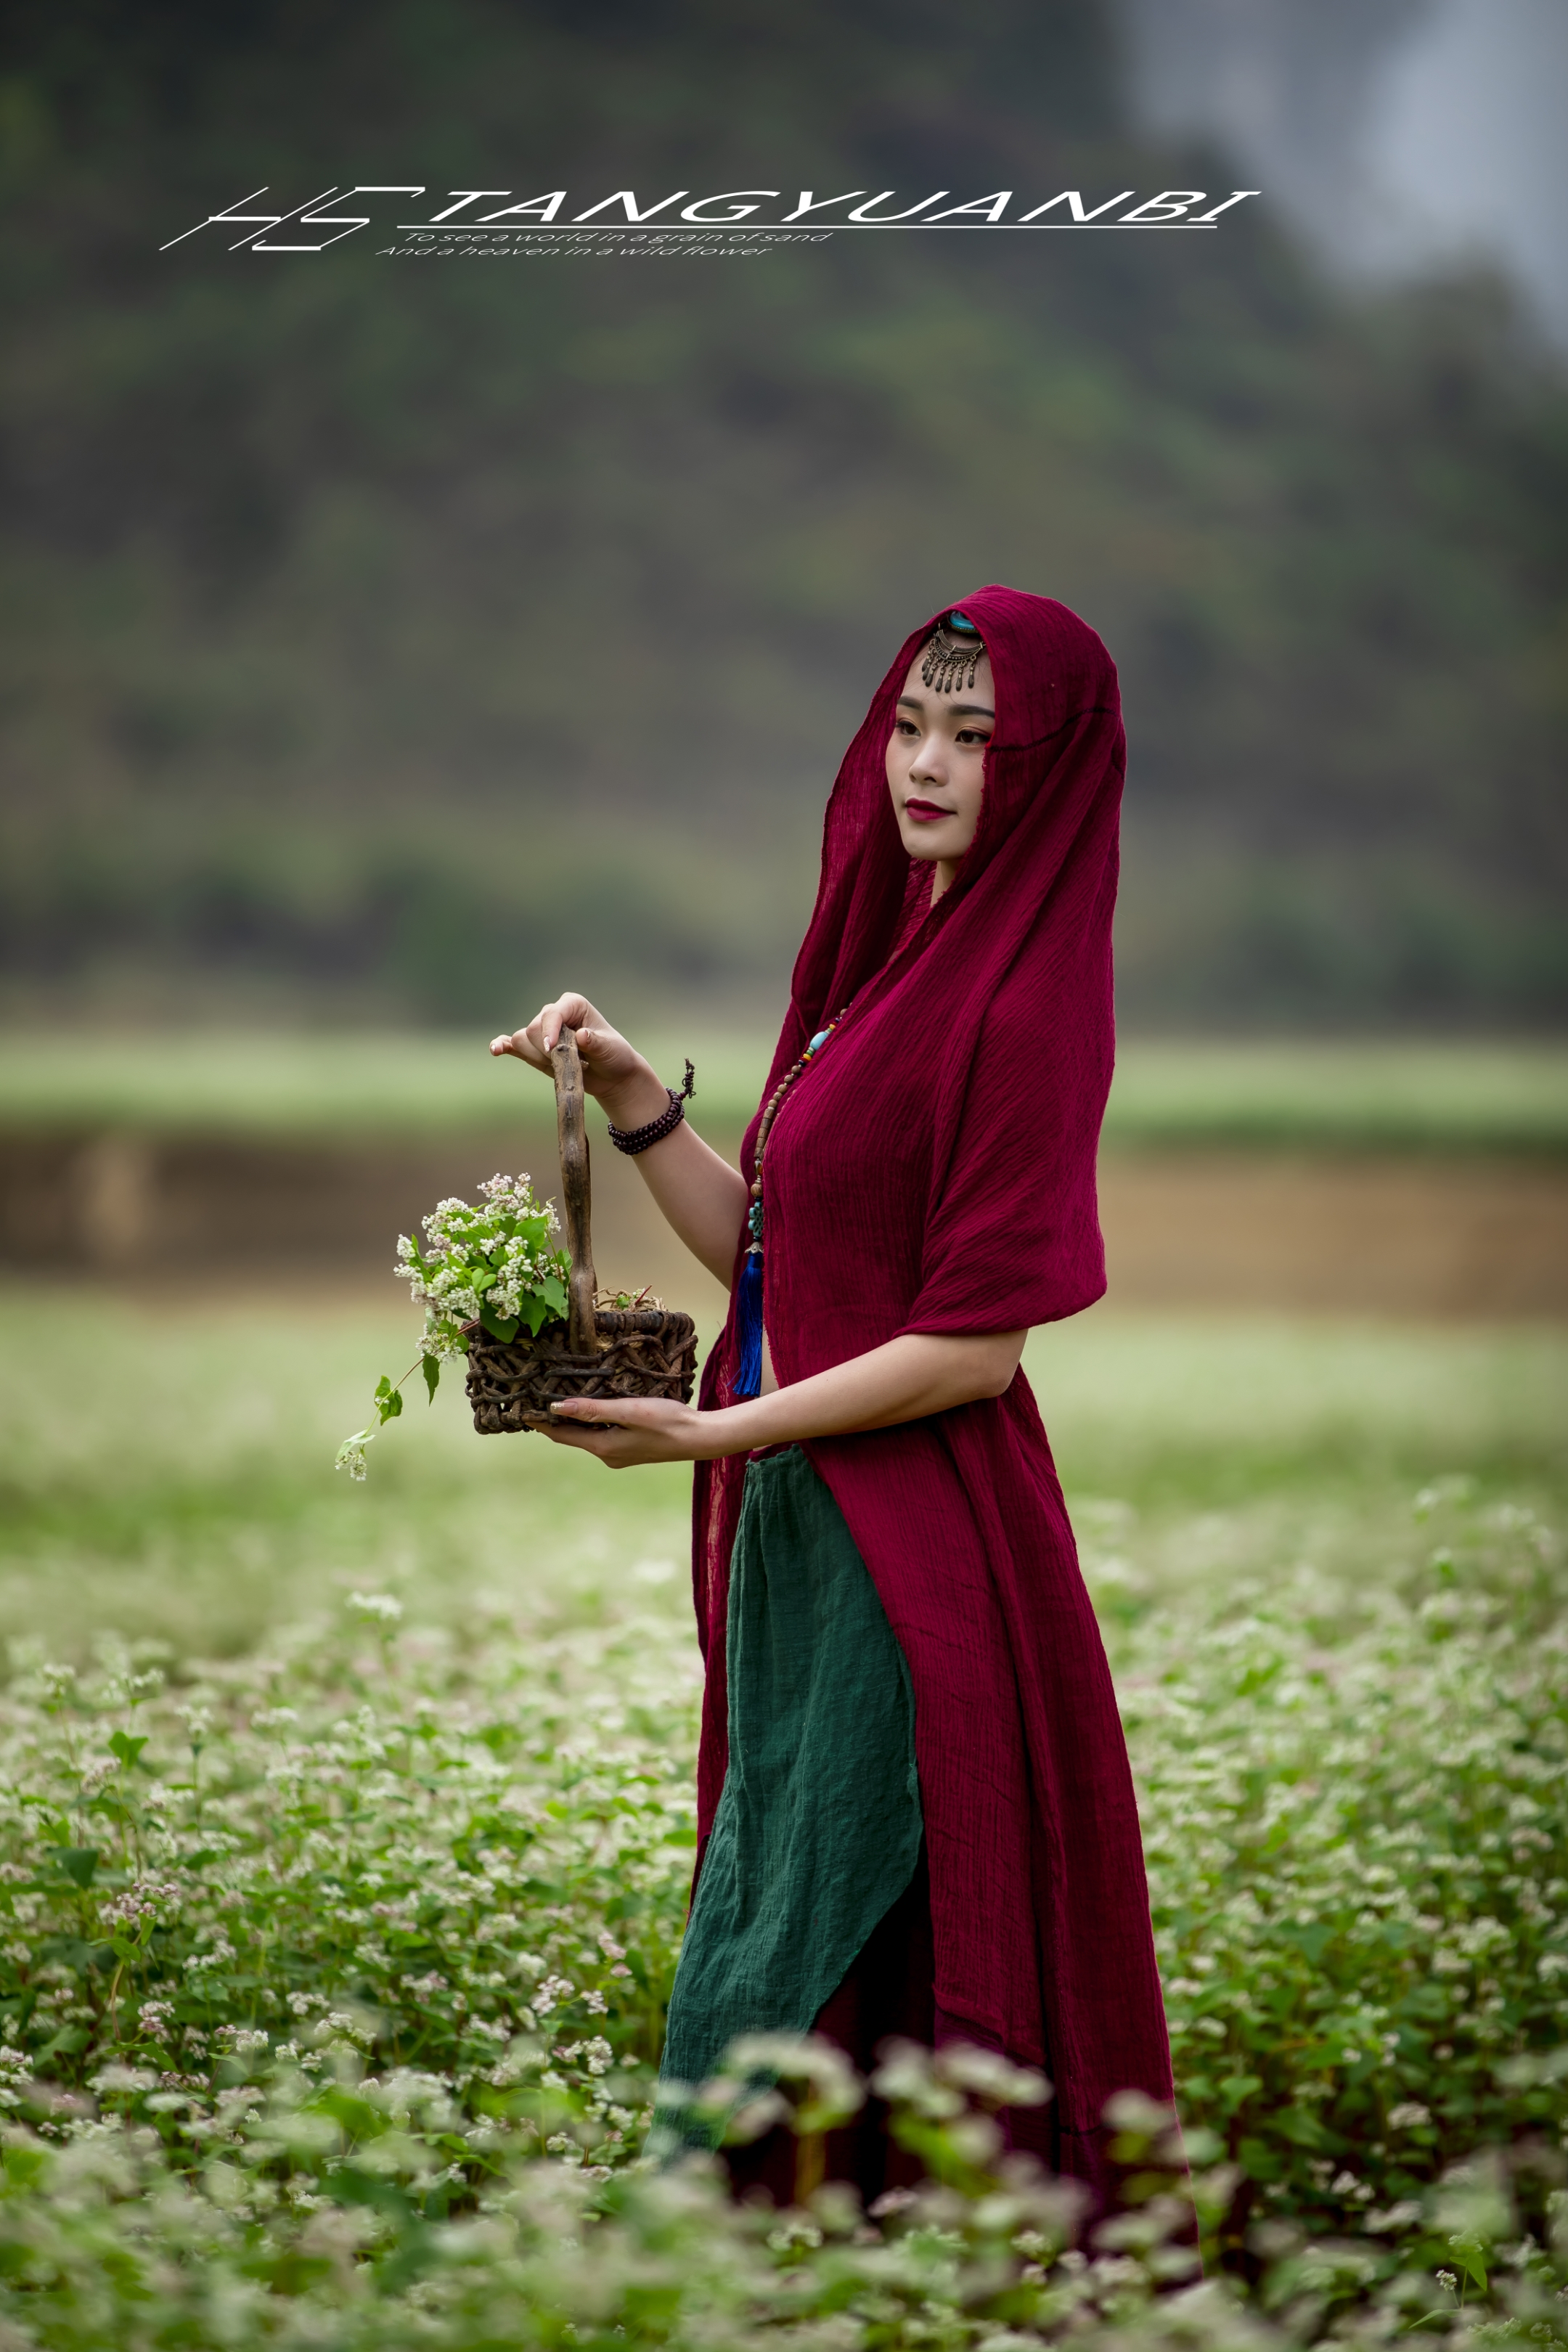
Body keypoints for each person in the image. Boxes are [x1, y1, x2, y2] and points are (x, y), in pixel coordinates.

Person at [490, 586, 1173, 2208]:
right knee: (780, 1896)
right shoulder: (890, 964)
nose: (925, 765)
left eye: (977, 740)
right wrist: (640, 1098)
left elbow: (975, 1344)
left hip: (914, 1550)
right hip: (801, 1524)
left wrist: (716, 1430)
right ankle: (796, 2268)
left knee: (805, 1928)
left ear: (1052, 770)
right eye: (910, 725)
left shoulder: (1026, 1003)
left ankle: (773, 2255)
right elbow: (784, 1261)